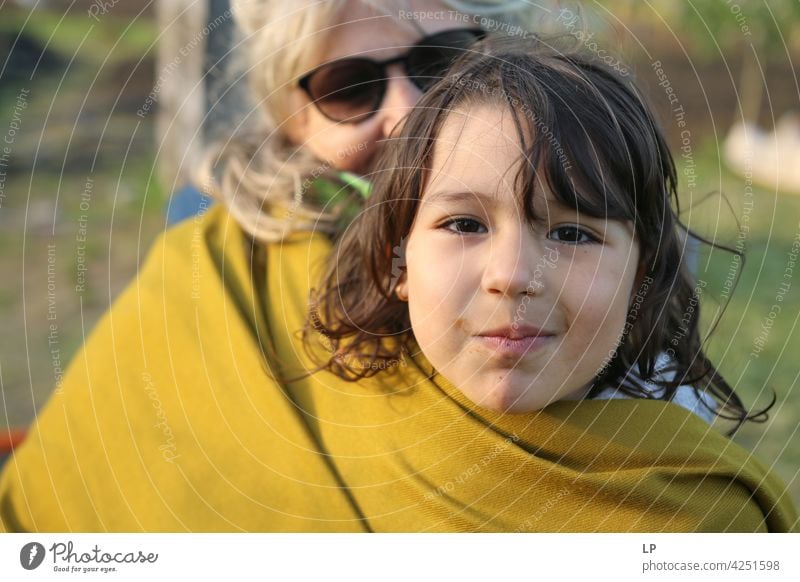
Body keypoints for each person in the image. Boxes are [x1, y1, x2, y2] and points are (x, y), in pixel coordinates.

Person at [0, 0, 537, 532]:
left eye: (442, 63)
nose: (409, 111)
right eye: (348, 88)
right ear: (292, 122)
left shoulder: (598, 235)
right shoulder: (205, 272)